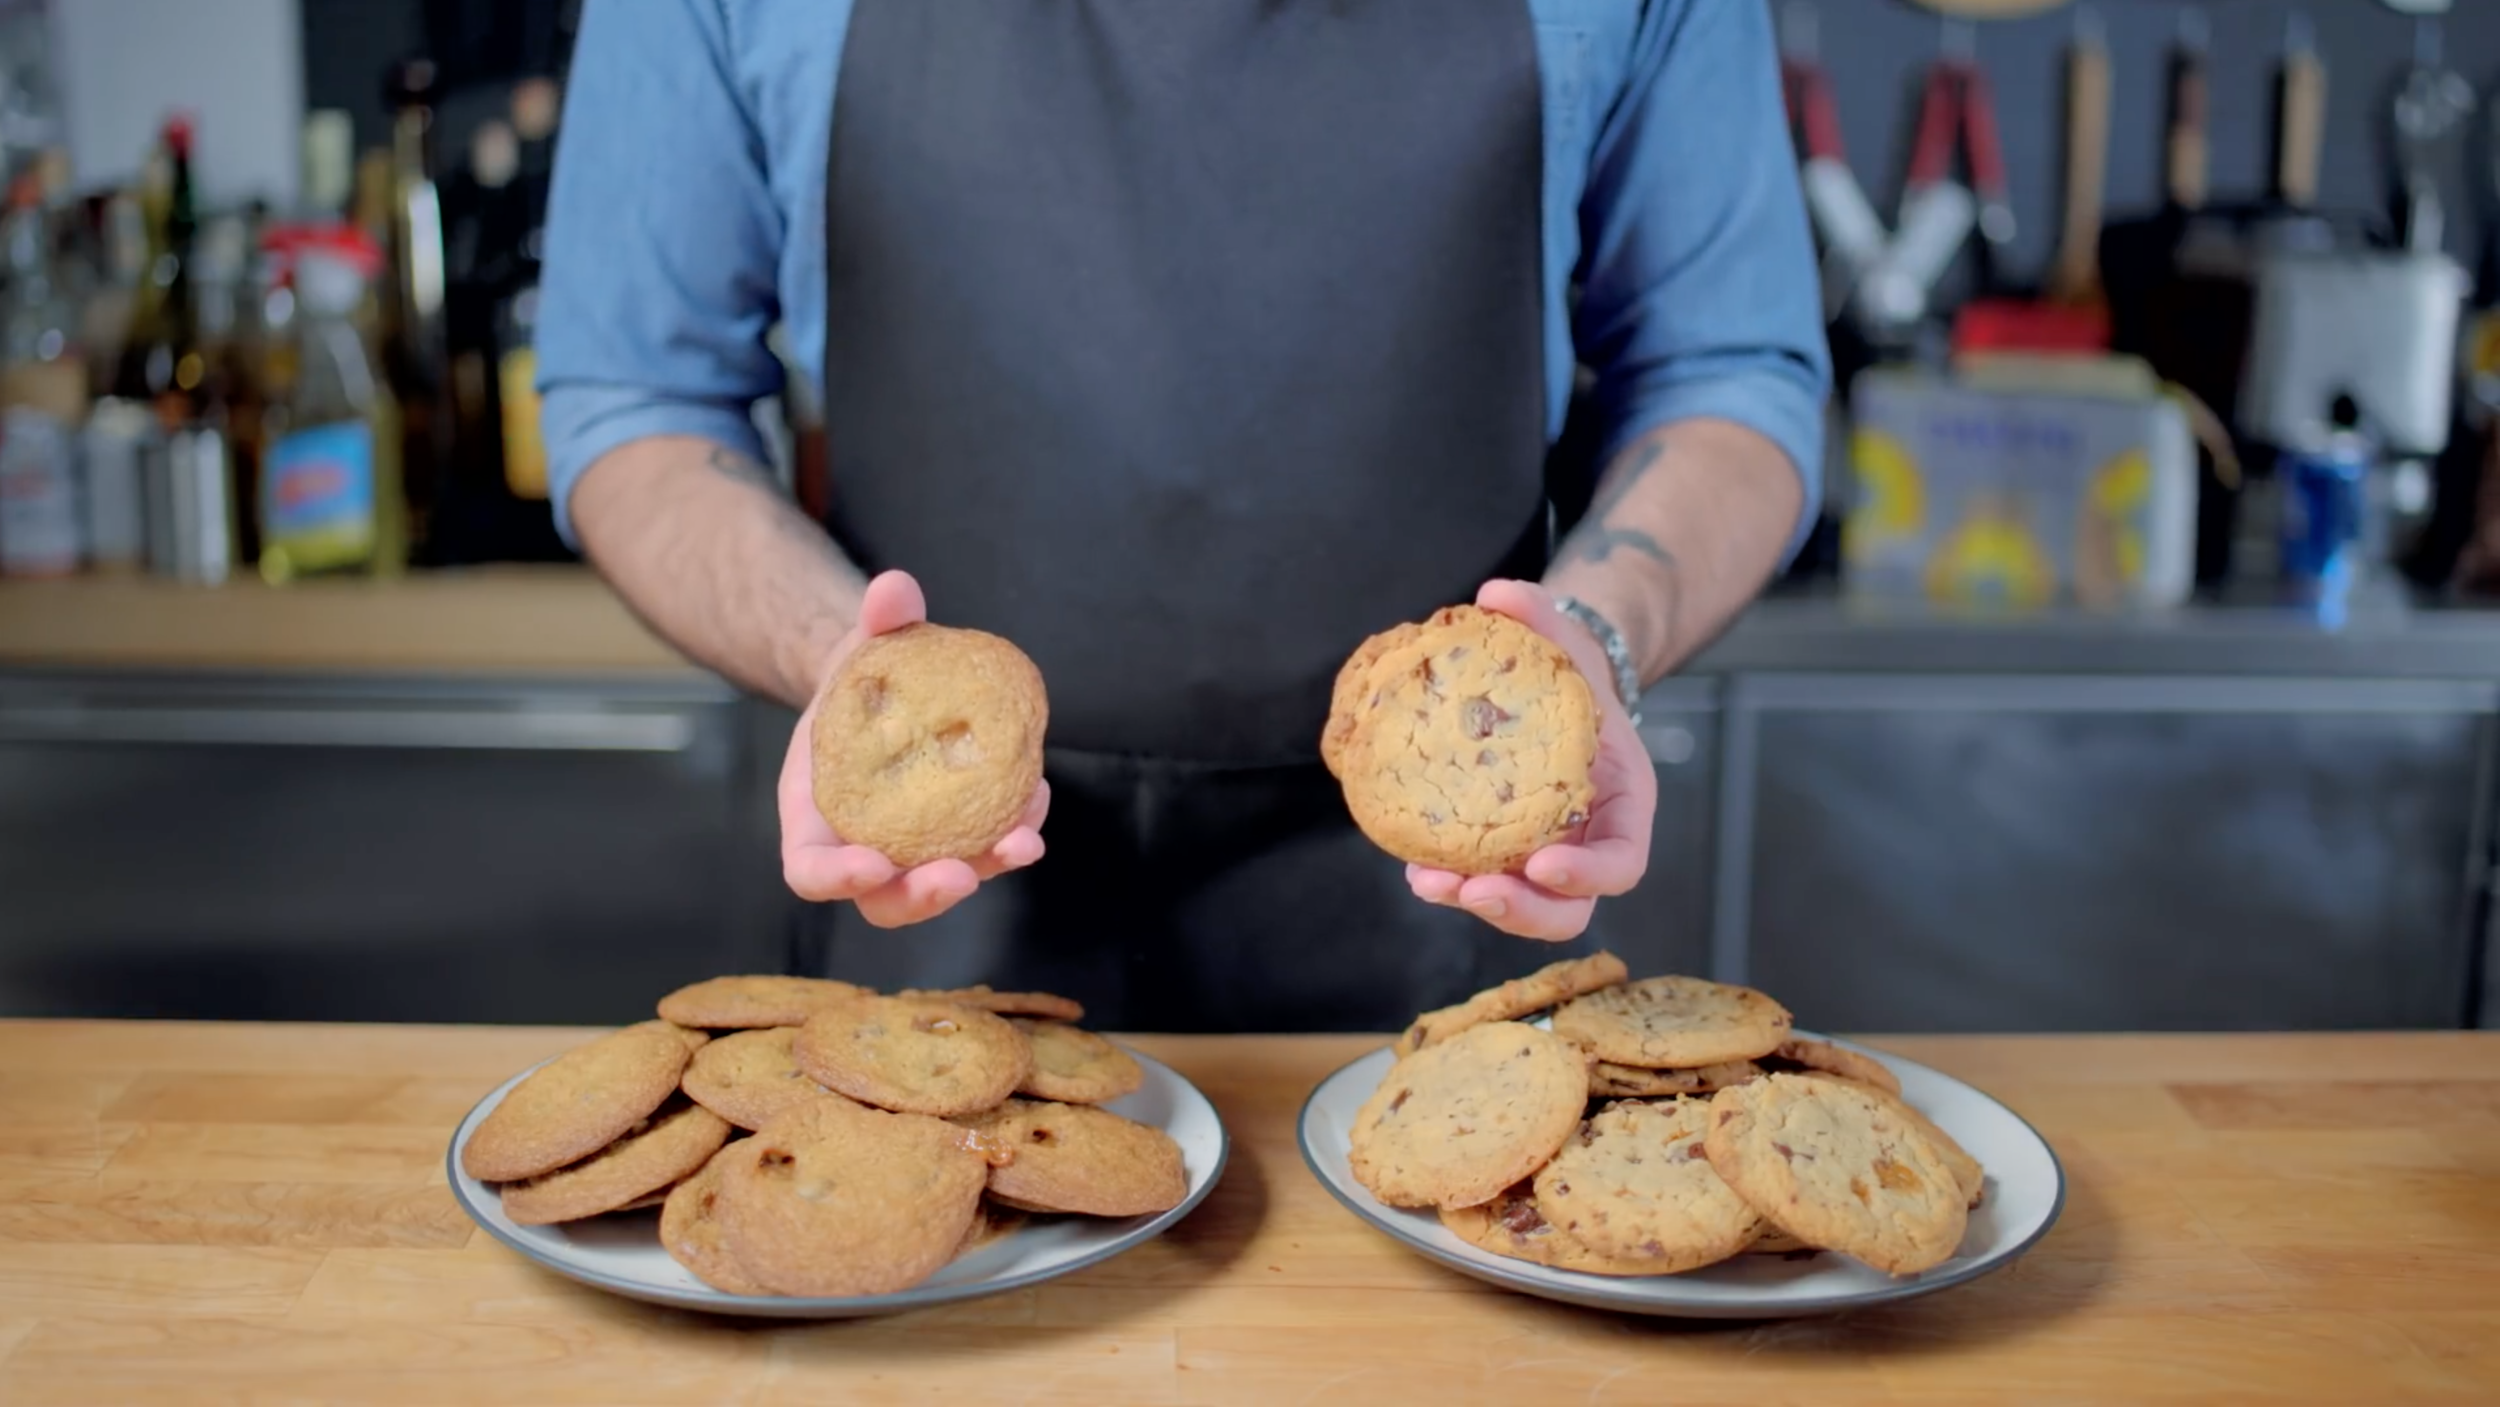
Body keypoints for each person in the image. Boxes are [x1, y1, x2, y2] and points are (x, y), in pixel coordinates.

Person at [537, 0, 1830, 1031]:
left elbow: (1731, 373)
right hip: (936, 891)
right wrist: (847, 659)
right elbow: (637, 394)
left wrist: (1591, 638)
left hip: (1460, 886)